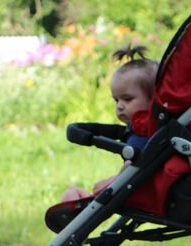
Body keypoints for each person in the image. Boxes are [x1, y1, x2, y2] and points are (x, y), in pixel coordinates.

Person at [62, 45, 158, 201]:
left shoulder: (148, 131)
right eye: (116, 100)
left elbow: (134, 168)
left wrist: (112, 183)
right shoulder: (142, 128)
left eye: (127, 99)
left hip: (143, 191)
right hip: (146, 187)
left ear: (153, 98)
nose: (119, 106)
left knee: (77, 193)